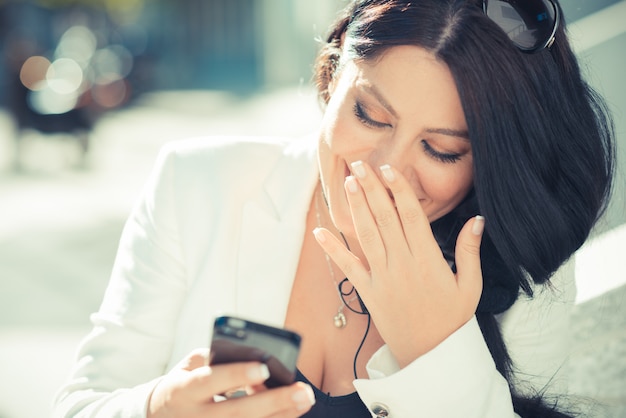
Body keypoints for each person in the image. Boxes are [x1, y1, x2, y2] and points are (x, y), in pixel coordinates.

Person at [53, 0, 615, 417]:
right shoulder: (196, 183)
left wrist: (439, 348)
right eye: (370, 116)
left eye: (441, 150)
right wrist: (155, 407)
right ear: (329, 78)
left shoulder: (520, 256)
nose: (382, 170)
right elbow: (78, 403)